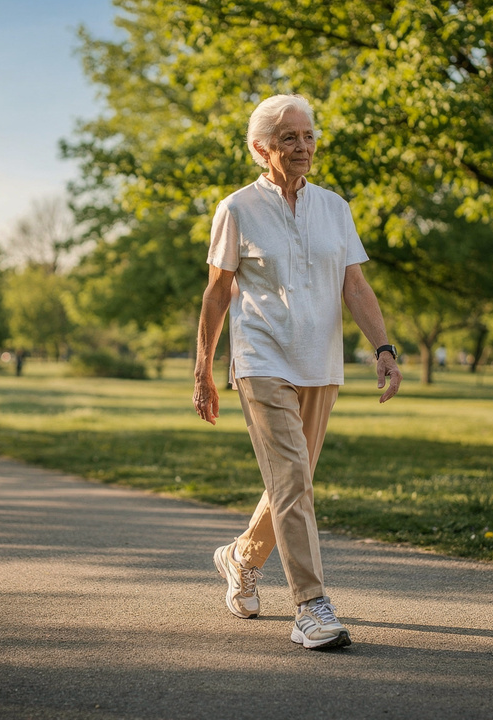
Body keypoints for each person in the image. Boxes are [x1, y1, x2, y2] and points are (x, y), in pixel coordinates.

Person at [193, 94, 402, 650]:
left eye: (308, 136)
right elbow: (217, 293)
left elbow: (354, 285)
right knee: (291, 481)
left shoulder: (335, 207)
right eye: (290, 138)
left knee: (295, 482)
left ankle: (240, 556)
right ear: (263, 149)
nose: (303, 147)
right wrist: (204, 370)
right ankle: (311, 606)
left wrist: (384, 347)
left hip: (320, 361)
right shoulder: (236, 208)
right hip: (261, 358)